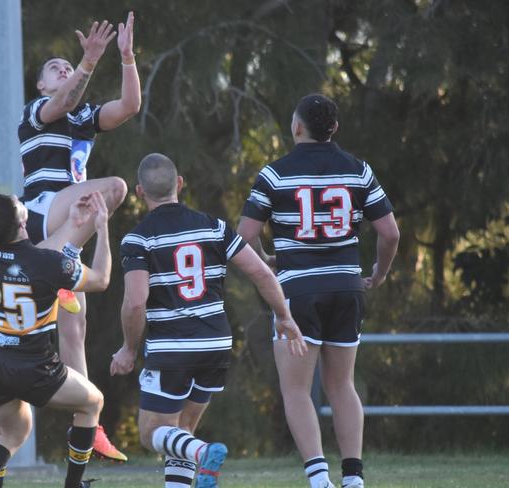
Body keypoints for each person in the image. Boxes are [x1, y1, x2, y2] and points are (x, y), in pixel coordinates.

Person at [110, 153, 307, 488]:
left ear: (139, 192)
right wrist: (284, 316)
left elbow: (136, 303)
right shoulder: (214, 227)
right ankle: (195, 455)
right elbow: (261, 272)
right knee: (181, 432)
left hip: (172, 347)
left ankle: (203, 453)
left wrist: (129, 349)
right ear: (180, 185)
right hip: (216, 343)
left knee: (151, 433)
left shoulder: (138, 239)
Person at [237, 94, 400, 488]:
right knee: (341, 384)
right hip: (347, 287)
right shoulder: (358, 170)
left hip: (299, 292)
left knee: (295, 389)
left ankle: (318, 478)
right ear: (335, 130)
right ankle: (354, 478)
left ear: (296, 127)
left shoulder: (275, 175)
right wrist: (378, 273)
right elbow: (390, 232)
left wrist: (269, 259)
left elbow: (245, 236)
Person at [18, 12, 141, 461]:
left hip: (69, 224)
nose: (64, 69)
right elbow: (63, 104)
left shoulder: (84, 116)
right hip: (42, 214)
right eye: (55, 68)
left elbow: (128, 107)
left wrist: (126, 59)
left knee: (74, 330)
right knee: (115, 188)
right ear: (41, 86)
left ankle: (86, 432)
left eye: (67, 66)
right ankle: (65, 263)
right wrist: (87, 63)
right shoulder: (35, 114)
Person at [0, 192, 111, 488]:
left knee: (11, 434)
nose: (22, 202)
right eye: (19, 204)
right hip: (32, 365)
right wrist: (102, 228)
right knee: (92, 403)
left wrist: (73, 225)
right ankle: (74, 485)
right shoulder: (46, 262)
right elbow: (100, 279)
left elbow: (33, 261)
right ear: (22, 220)